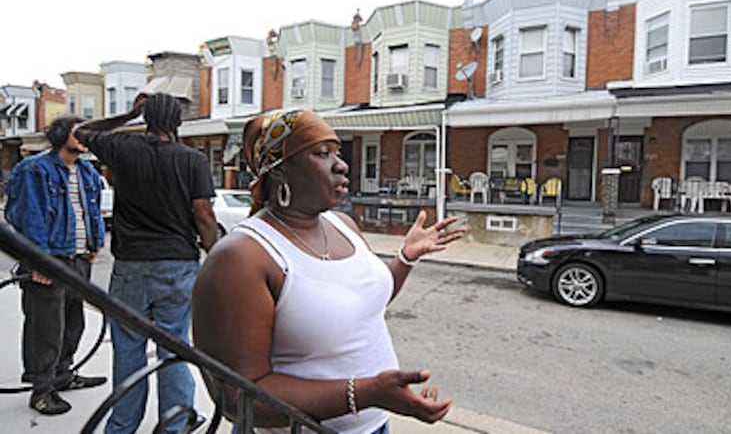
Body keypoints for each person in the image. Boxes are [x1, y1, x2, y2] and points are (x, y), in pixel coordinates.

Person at [191, 109, 467, 433]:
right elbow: (238, 397)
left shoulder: (343, 224)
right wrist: (367, 393)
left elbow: (357, 304)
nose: (342, 164)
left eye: (337, 151)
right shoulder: (242, 257)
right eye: (322, 153)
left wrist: (405, 258)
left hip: (375, 427)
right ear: (279, 171)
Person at [73, 92, 218, 434]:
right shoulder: (192, 160)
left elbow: (79, 131)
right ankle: (177, 423)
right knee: (175, 349)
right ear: (178, 123)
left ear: (145, 119)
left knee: (128, 351)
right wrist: (215, 252)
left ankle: (122, 426)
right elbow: (204, 215)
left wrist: (127, 116)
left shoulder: (122, 149)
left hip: (130, 267)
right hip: (177, 266)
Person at [4, 115, 107, 415]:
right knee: (45, 328)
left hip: (78, 257)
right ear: (62, 136)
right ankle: (41, 390)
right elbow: (26, 217)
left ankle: (63, 375)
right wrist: (39, 260)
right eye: (80, 132)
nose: (86, 137)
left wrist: (95, 242)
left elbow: (94, 211)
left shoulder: (87, 171)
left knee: (74, 322)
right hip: (51, 258)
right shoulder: (33, 169)